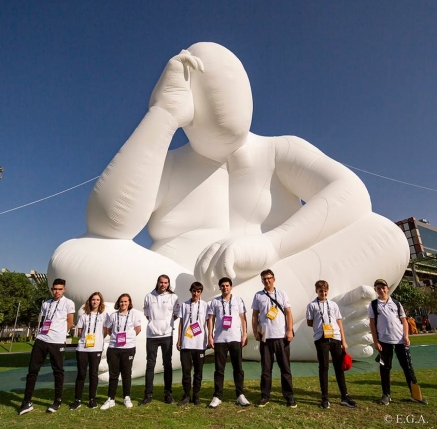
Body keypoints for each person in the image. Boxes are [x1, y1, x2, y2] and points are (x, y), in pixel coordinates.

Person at [48, 42, 409, 375]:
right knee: (70, 256)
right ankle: (260, 336)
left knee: (385, 236)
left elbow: (350, 193)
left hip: (276, 281)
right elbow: (107, 223)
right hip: (177, 289)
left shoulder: (278, 150)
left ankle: (201, 339)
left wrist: (271, 245)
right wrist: (162, 115)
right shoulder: (167, 164)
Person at [18, 278, 75, 415]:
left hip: (57, 341)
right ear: (51, 289)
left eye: (60, 289)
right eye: (55, 289)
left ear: (64, 290)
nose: (57, 291)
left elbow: (70, 322)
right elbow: (44, 321)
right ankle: (27, 402)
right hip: (42, 339)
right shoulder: (46, 304)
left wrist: (61, 334)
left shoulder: (68, 303)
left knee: (58, 371)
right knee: (33, 370)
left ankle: (57, 400)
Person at [369, 279, 426, 405]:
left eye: (383, 287)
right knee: (384, 368)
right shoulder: (373, 305)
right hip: (384, 341)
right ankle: (386, 395)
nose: (381, 290)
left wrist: (406, 336)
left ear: (387, 288)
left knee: (408, 368)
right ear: (376, 290)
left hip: (400, 340)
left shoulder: (396, 303)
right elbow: (372, 324)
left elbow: (404, 320)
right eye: (378, 288)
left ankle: (416, 395)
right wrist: (375, 341)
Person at [306, 280, 356, 409]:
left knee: (339, 368)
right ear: (316, 291)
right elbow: (309, 322)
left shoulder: (333, 305)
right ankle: (325, 398)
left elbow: (339, 322)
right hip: (321, 338)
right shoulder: (312, 305)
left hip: (336, 338)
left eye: (325, 290)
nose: (323, 293)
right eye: (320, 291)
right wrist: (320, 325)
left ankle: (344, 396)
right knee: (324, 368)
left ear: (328, 291)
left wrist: (344, 341)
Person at [251, 269, 296, 408]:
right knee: (266, 370)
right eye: (264, 279)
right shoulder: (258, 296)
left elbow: (288, 313)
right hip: (266, 338)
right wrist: (255, 332)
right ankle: (265, 396)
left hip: (281, 337)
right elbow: (254, 316)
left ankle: (289, 396)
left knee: (285, 369)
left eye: (269, 278)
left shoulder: (282, 294)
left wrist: (289, 330)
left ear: (274, 279)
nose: (267, 281)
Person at [207, 277, 250, 408]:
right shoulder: (214, 301)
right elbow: (211, 319)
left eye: (227, 285)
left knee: (238, 368)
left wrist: (245, 334)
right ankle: (217, 396)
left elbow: (242, 318)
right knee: (219, 370)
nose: (225, 288)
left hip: (235, 338)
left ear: (231, 287)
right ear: (220, 287)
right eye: (223, 286)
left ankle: (240, 395)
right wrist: (210, 336)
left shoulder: (238, 300)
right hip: (220, 339)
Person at [140, 275, 179, 405]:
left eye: (166, 283)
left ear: (168, 284)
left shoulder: (173, 297)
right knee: (150, 365)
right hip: (152, 336)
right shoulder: (148, 296)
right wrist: (155, 324)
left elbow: (176, 314)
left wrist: (166, 324)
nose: (163, 285)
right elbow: (147, 315)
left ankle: (168, 394)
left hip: (167, 335)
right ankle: (148, 395)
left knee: (167, 365)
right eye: (161, 282)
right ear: (157, 283)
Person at [101, 293, 141, 410]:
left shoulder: (134, 314)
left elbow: (138, 329)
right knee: (113, 374)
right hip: (114, 348)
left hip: (128, 348)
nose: (123, 303)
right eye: (121, 301)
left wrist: (128, 338)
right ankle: (111, 399)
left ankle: (126, 397)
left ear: (129, 303)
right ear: (118, 303)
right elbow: (108, 329)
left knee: (126, 374)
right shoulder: (113, 315)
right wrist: (116, 337)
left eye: (125, 301)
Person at [69, 292, 109, 410]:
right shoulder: (84, 316)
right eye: (93, 299)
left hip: (96, 348)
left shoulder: (104, 316)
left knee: (93, 374)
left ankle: (92, 399)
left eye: (97, 300)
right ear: (90, 301)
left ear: (100, 302)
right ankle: (77, 400)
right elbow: (80, 331)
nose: (95, 302)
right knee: (81, 374)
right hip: (82, 348)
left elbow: (105, 331)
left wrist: (98, 340)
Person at [176, 281, 208, 406]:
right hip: (186, 343)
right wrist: (179, 339)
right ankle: (186, 395)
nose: (196, 293)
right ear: (191, 291)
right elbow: (181, 323)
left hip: (200, 344)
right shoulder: (184, 305)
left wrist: (209, 337)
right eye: (194, 291)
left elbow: (209, 322)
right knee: (186, 371)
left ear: (201, 293)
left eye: (198, 291)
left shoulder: (205, 305)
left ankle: (196, 395)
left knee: (198, 372)